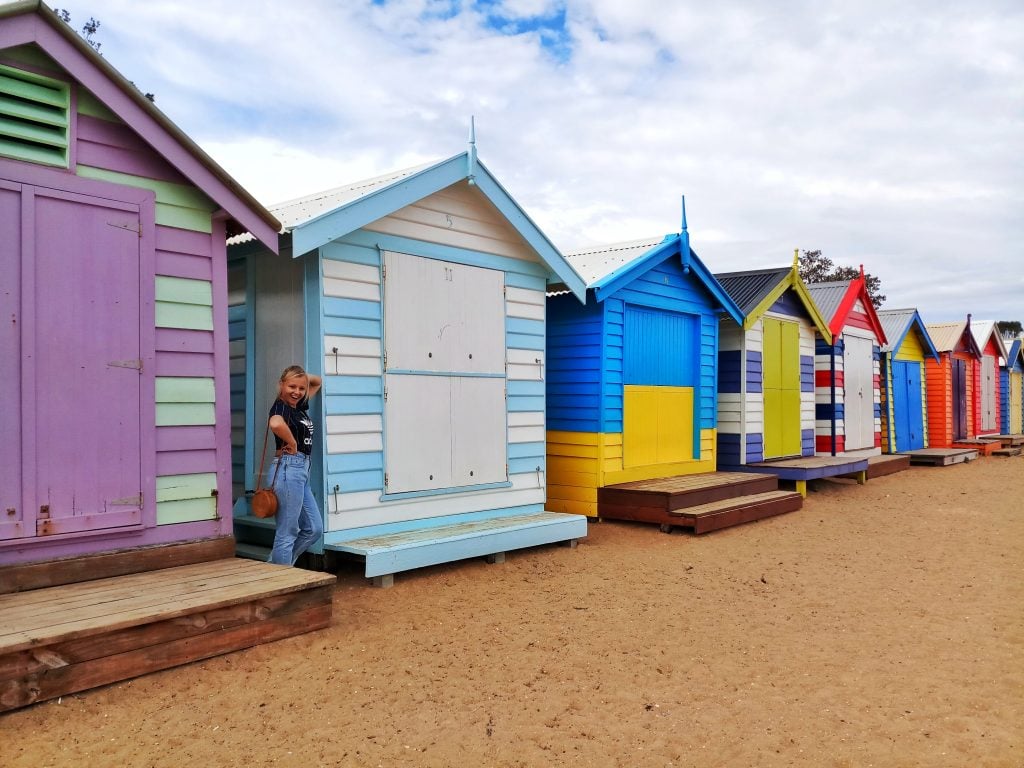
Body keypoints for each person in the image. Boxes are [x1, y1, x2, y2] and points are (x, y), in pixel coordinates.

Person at [266, 365, 323, 566]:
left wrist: (299, 377)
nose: (297, 392)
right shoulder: (280, 406)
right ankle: (280, 579)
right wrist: (292, 442)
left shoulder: (297, 406)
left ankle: (277, 567)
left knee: (314, 528)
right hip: (289, 469)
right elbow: (275, 423)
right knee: (287, 532)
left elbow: (317, 382)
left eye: (300, 388)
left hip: (301, 471)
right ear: (281, 385)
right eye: (291, 386)